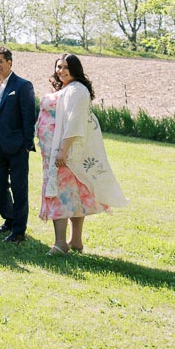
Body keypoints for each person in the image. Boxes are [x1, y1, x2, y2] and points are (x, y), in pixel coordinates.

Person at [39, 54, 127, 254]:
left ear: (76, 69)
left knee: (60, 195)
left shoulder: (77, 90)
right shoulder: (67, 89)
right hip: (56, 151)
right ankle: (75, 241)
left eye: (66, 67)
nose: (61, 70)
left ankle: (60, 243)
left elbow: (74, 123)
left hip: (64, 154)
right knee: (73, 195)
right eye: (59, 67)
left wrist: (63, 149)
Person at [0, 46, 38, 243]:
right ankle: (9, 219)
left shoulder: (23, 85)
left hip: (16, 146)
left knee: (19, 188)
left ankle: (18, 231)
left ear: (9, 62)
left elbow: (28, 116)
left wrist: (26, 144)